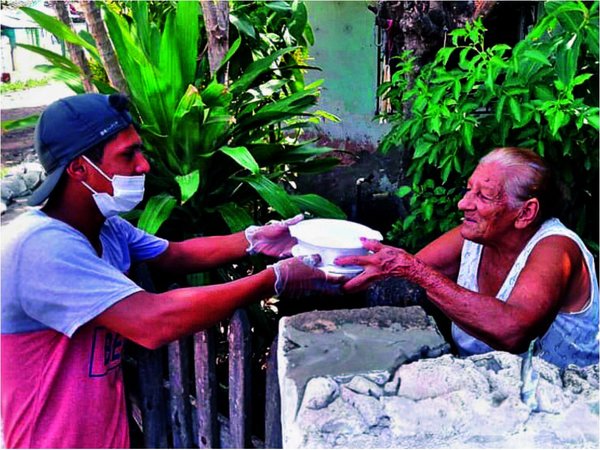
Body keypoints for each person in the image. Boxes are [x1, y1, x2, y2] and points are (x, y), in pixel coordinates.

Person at [0, 93, 343, 448]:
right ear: (79, 169)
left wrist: (256, 239)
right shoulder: (40, 248)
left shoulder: (104, 227)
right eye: (127, 154)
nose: (144, 165)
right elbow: (152, 321)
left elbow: (175, 255)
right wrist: (273, 279)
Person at [337, 147, 599, 368]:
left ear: (525, 213)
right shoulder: (476, 235)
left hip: (562, 403)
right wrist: (324, 273)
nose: (464, 204)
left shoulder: (556, 247)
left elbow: (512, 332)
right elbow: (397, 274)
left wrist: (414, 270)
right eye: (468, 190)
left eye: (483, 196)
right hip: (482, 389)